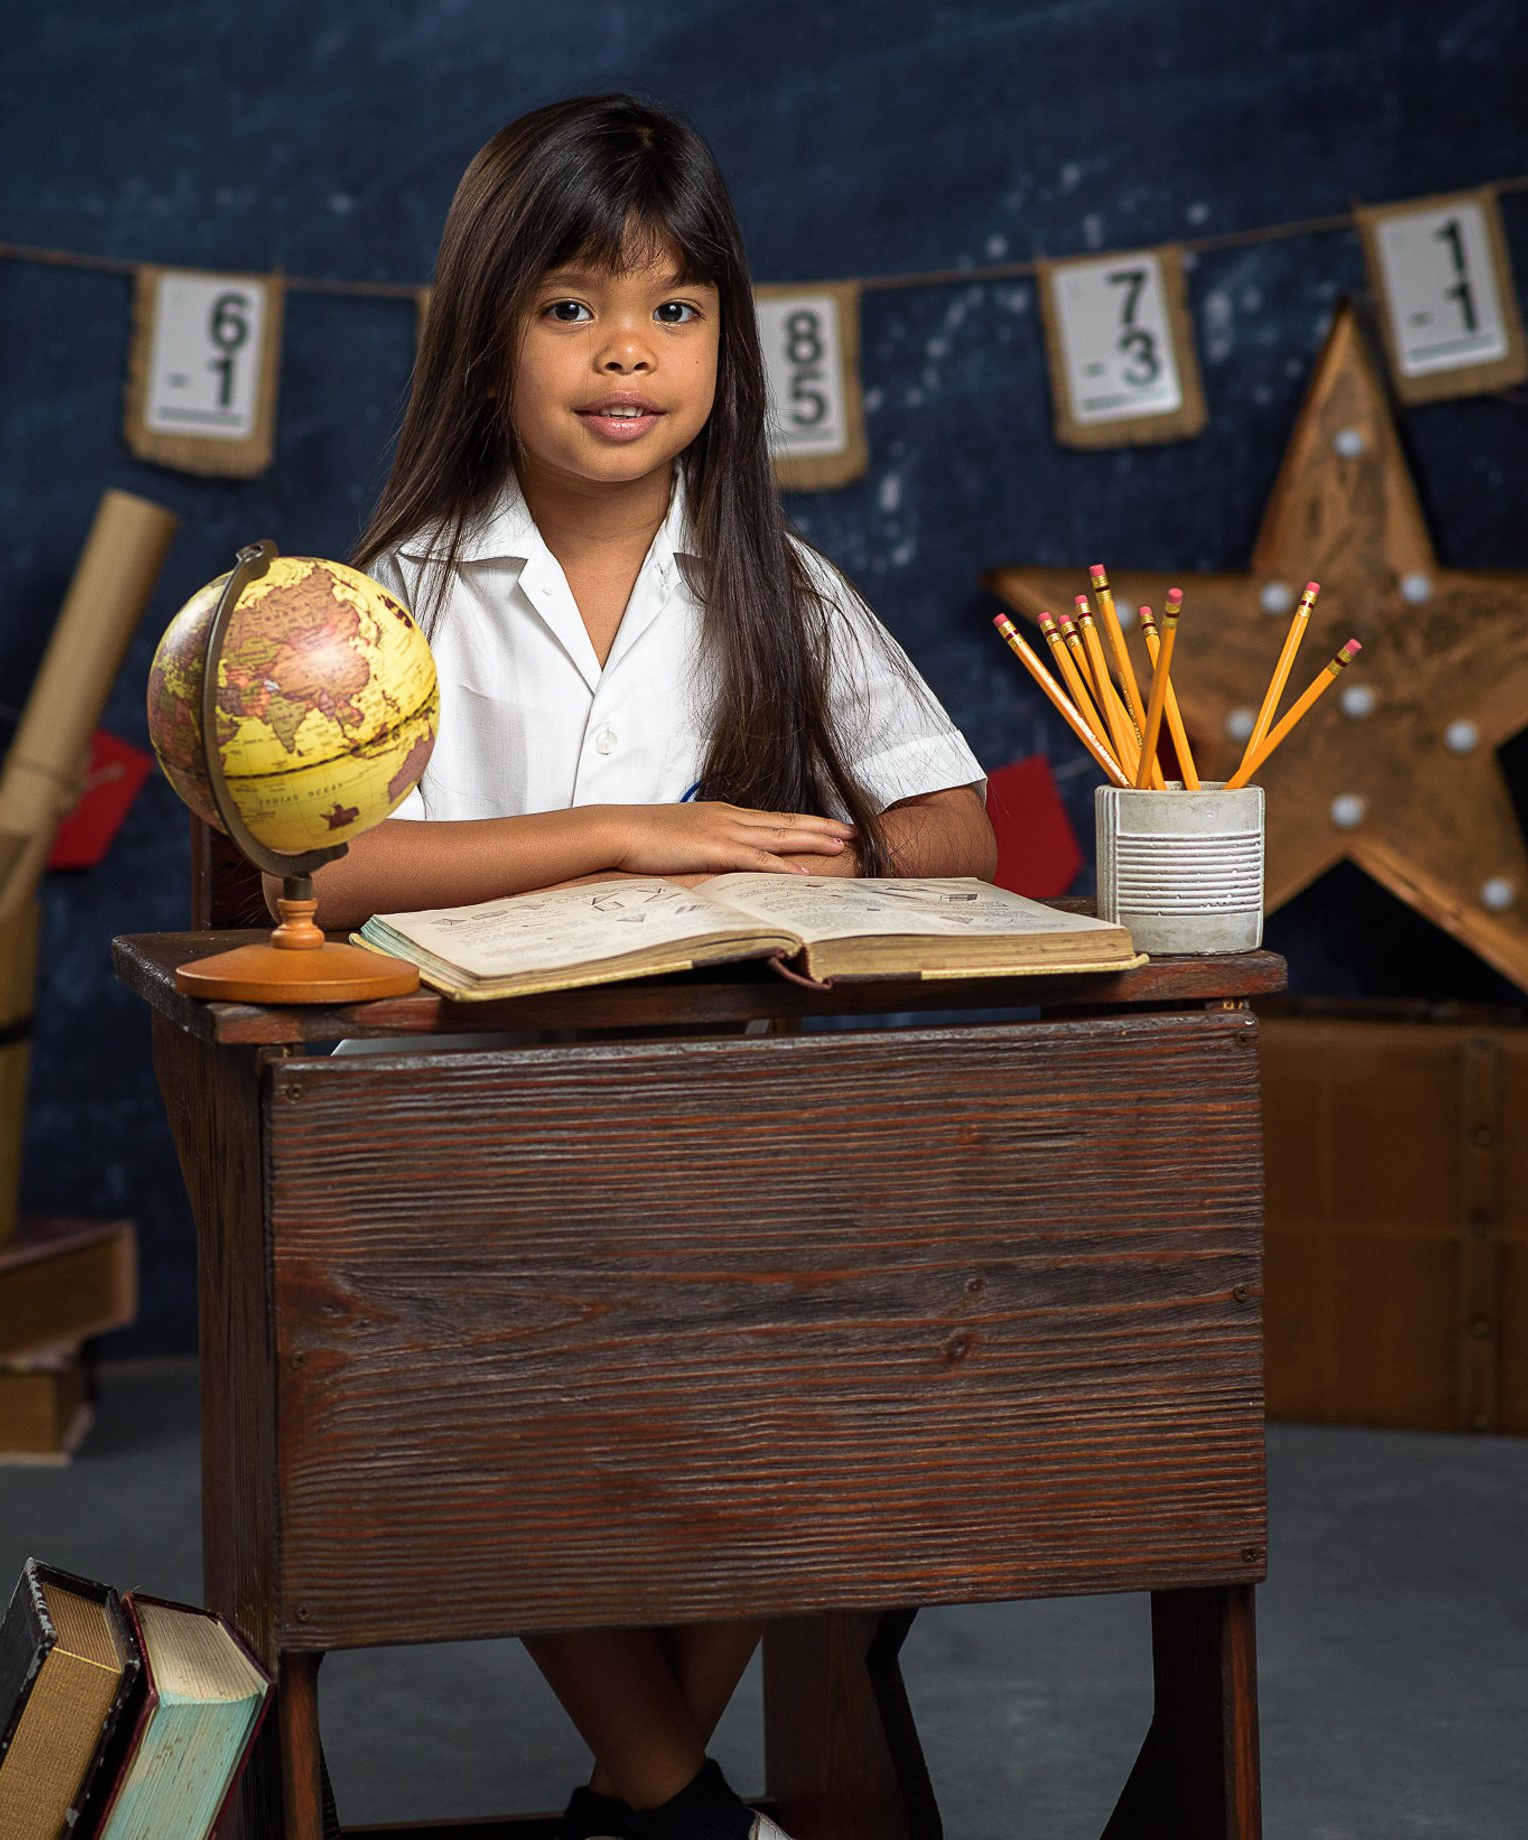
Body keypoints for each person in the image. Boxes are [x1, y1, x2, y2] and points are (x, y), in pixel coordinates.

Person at [309, 96, 993, 1840]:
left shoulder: (776, 580)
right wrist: (632, 834)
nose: (629, 352)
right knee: (513, 1398)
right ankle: (683, 1807)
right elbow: (330, 868)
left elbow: (954, 826)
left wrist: (825, 880)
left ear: (727, 344)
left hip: (722, 1134)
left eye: (675, 308)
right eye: (571, 307)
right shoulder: (402, 592)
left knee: (808, 1374)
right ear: (485, 342)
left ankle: (651, 1804)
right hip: (466, 1140)